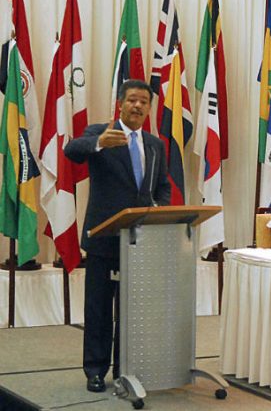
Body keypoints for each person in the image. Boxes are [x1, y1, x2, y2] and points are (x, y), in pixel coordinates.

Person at [64, 79, 170, 393]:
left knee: (131, 310)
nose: (137, 106)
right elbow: (72, 150)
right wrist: (100, 143)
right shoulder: (101, 132)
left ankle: (127, 368)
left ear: (149, 108)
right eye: (132, 101)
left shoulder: (155, 144)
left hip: (138, 241)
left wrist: (156, 210)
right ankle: (95, 370)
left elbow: (161, 187)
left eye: (143, 102)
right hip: (104, 239)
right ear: (121, 104)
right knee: (99, 308)